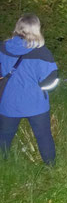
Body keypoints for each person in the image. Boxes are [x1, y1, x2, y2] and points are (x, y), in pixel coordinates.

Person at [0, 14, 59, 165]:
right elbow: (52, 79)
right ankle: (51, 167)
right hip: (36, 103)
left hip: (9, 102)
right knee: (43, 136)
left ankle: (3, 166)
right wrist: (41, 89)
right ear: (36, 29)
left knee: (4, 136)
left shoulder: (3, 48)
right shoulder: (42, 52)